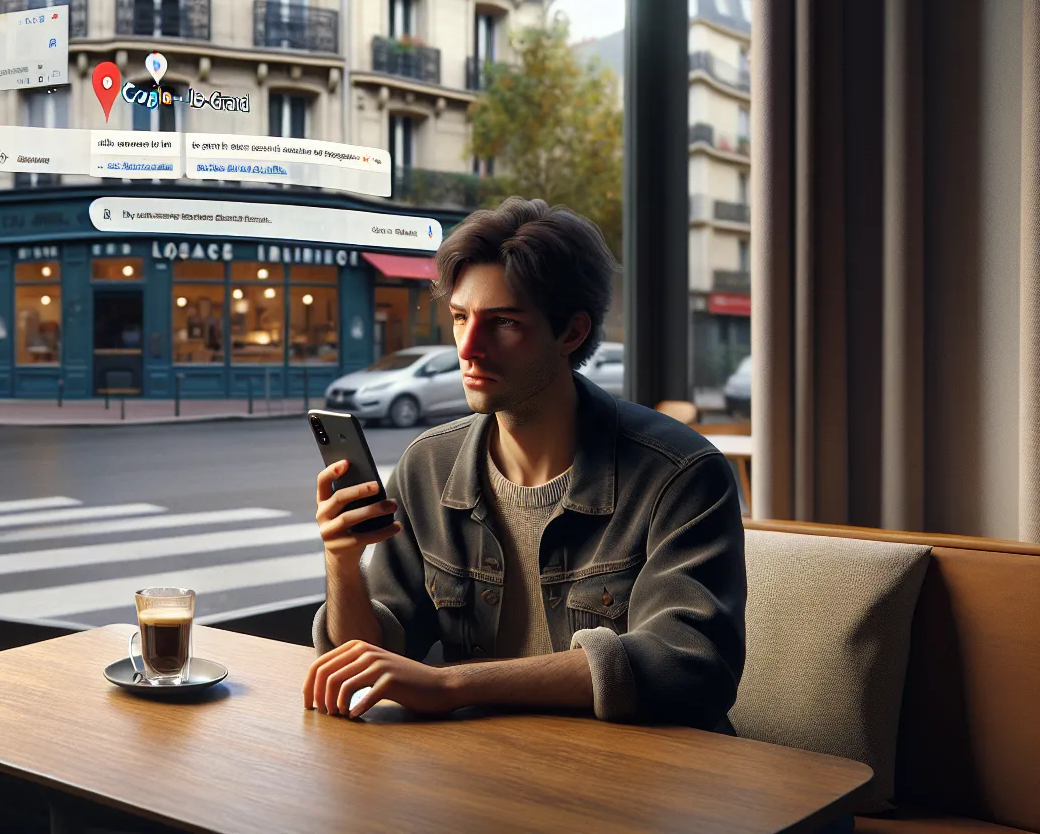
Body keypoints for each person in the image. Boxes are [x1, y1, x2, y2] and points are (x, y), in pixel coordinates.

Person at [303, 198, 745, 731]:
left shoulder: (681, 474)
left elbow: (687, 664)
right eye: (460, 318)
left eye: (503, 322)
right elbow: (367, 658)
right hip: (490, 774)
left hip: (652, 785)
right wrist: (343, 564)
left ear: (571, 334)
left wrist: (450, 684)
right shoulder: (429, 465)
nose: (468, 348)